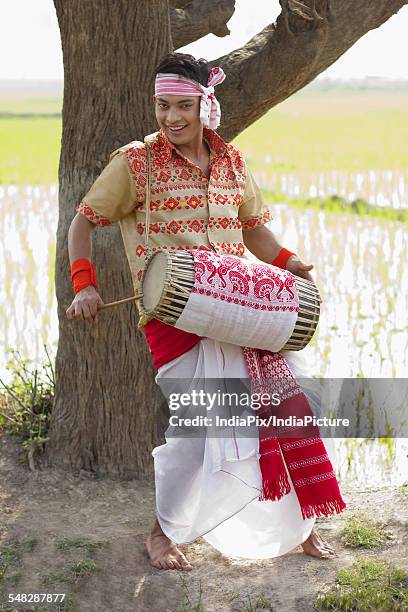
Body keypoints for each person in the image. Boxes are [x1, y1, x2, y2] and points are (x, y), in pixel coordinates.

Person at [66, 52, 345, 571]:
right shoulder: (134, 163)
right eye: (163, 106)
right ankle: (163, 531)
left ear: (205, 105)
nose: (172, 118)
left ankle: (300, 525)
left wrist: (290, 262)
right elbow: (83, 223)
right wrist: (85, 285)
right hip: (175, 320)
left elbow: (254, 230)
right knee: (197, 431)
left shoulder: (233, 162)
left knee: (290, 408)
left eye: (183, 106)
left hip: (243, 310)